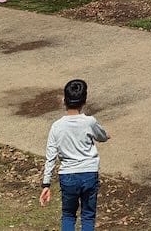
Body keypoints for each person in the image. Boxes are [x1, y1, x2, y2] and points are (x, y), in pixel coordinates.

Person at [39, 78, 109, 231]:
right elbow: (102, 136)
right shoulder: (89, 122)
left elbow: (51, 157)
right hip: (89, 173)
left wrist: (46, 184)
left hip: (68, 176)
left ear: (64, 101)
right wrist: (106, 136)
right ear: (84, 101)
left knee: (68, 215)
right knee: (88, 216)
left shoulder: (56, 126)